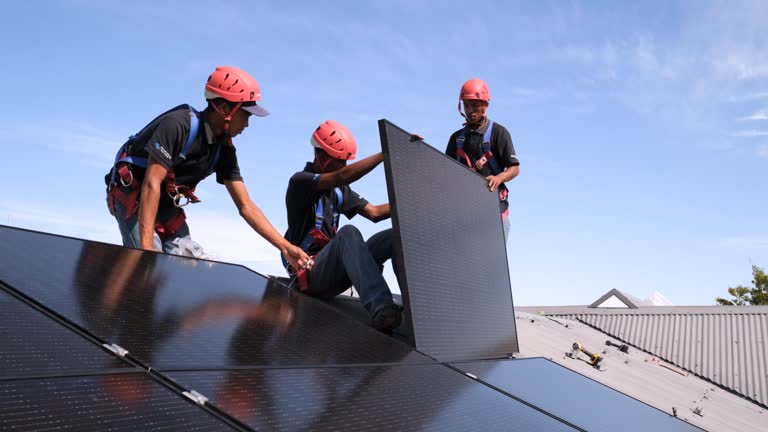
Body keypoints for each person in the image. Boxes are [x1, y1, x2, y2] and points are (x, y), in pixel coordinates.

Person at [105, 66, 310, 271]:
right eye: (246, 115)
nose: (247, 124)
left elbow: (246, 206)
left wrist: (285, 247)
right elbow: (151, 183)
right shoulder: (178, 125)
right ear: (224, 108)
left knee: (188, 263)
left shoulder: (224, 150)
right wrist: (147, 248)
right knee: (148, 266)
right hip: (133, 194)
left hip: (166, 204)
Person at [283, 120, 402, 332]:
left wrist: (407, 202)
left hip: (335, 271)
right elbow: (341, 176)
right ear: (321, 157)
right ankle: (382, 308)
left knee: (392, 237)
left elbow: (374, 213)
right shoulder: (299, 183)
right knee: (348, 233)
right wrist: (385, 154)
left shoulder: (339, 191)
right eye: (340, 161)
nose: (344, 167)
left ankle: (413, 308)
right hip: (311, 274)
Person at [445, 78, 520, 240]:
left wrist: (499, 178)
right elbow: (446, 172)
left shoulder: (499, 133)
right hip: (464, 214)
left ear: (485, 105)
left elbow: (514, 168)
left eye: (475, 104)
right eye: (466, 105)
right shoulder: (456, 138)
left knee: (492, 265)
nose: (470, 110)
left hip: (494, 213)